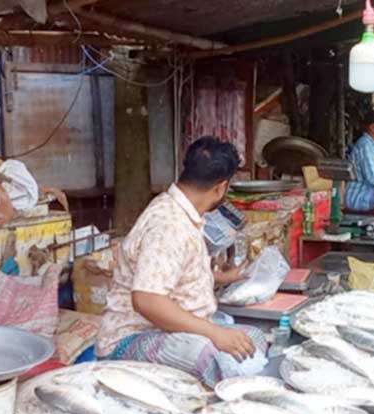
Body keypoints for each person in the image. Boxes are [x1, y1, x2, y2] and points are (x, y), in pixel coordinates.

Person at [96, 136, 267, 387]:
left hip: (177, 329)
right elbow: (146, 299)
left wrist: (221, 278)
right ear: (221, 188)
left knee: (254, 339)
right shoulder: (169, 224)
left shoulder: (183, 211)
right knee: (209, 356)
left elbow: (171, 272)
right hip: (135, 336)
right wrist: (214, 333)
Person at [345, 111, 374, 212]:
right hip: (359, 196)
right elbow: (373, 179)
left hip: (371, 192)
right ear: (373, 127)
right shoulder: (365, 145)